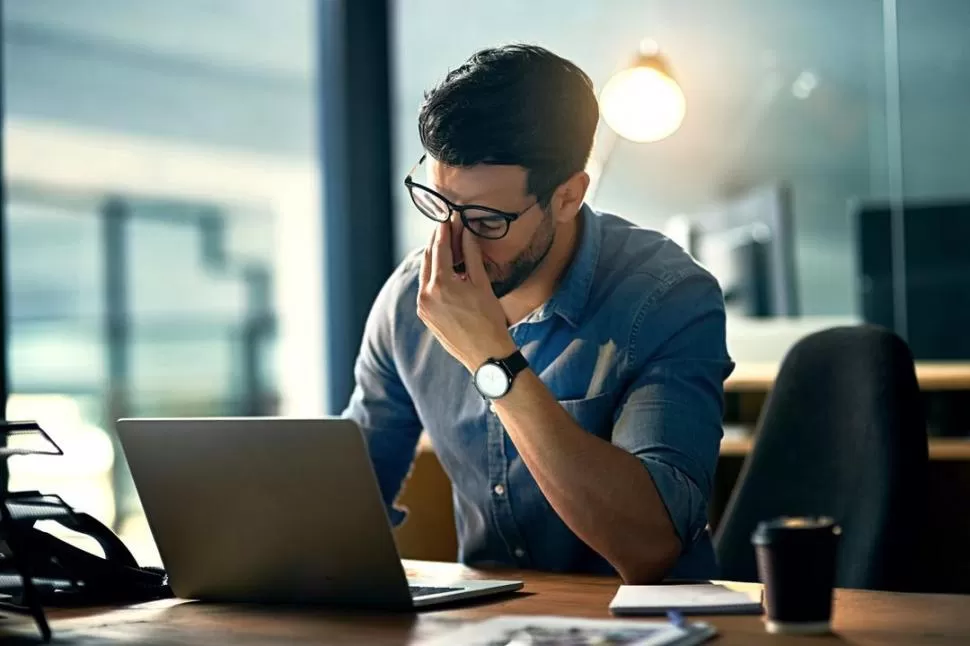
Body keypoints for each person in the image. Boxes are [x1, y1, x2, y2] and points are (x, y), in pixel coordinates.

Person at [343, 44, 734, 583]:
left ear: (568, 197)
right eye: (440, 206)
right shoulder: (411, 298)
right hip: (484, 625)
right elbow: (347, 498)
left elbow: (650, 546)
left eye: (485, 219)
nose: (454, 243)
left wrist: (491, 359)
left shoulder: (667, 297)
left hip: (645, 628)